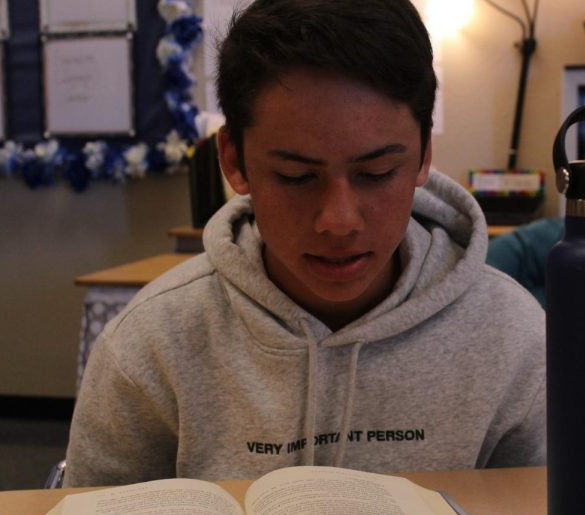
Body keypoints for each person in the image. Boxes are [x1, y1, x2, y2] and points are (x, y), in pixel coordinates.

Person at [63, 0, 545, 487]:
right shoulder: (151, 344)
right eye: (296, 177)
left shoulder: (515, 337)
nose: (338, 221)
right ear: (233, 160)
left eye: (377, 174)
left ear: (424, 155)